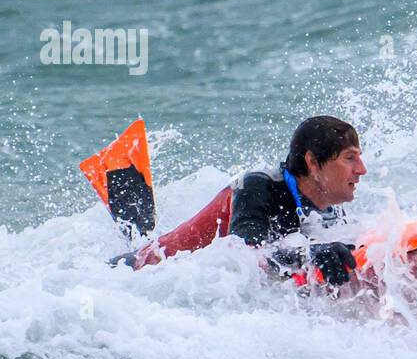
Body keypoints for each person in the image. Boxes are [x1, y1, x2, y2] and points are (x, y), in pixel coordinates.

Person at [111, 116, 367, 284]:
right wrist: (308, 255)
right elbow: (245, 255)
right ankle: (121, 177)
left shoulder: (327, 206)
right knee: (141, 247)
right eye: (349, 158)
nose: (362, 169)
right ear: (312, 162)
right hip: (143, 268)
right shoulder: (258, 186)